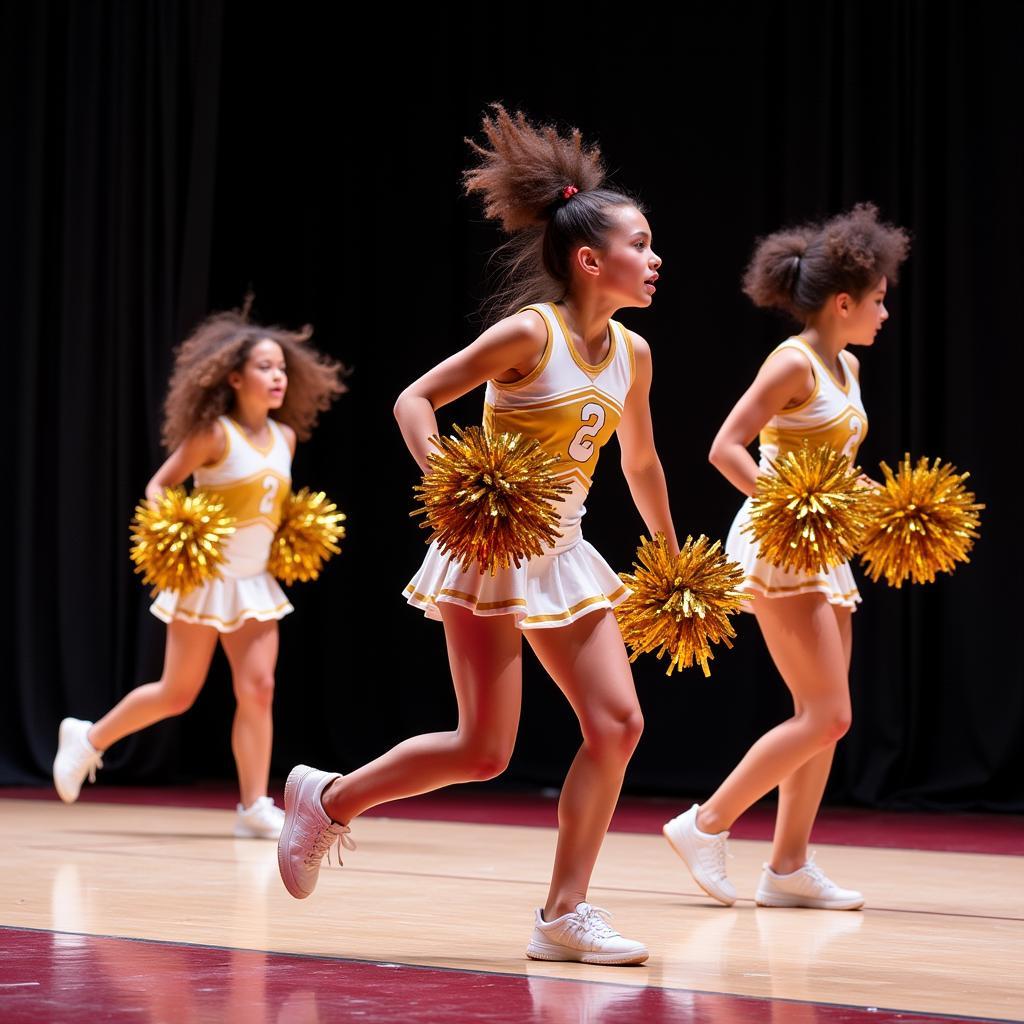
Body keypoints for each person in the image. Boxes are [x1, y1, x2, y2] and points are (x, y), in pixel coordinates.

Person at [277, 106, 676, 965]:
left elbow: (640, 463)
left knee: (617, 725)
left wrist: (671, 553)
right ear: (589, 259)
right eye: (641, 244)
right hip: (493, 552)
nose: (654, 260)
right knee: (485, 750)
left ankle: (563, 914)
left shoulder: (634, 357)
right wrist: (452, 485)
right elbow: (413, 400)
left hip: (565, 553)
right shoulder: (529, 334)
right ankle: (329, 799)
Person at [663, 203, 909, 909]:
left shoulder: (848, 367)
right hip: (781, 542)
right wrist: (791, 500)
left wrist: (863, 499)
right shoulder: (791, 362)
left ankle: (789, 868)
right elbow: (726, 447)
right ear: (842, 302)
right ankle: (704, 822)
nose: (884, 313)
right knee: (828, 716)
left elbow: (830, 459)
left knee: (822, 711)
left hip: (823, 545)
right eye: (878, 300)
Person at [53, 307, 346, 838]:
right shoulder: (214, 434)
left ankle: (253, 806)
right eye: (264, 366)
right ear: (234, 378)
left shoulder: (285, 438)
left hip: (255, 581)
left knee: (258, 688)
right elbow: (160, 486)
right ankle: (88, 738)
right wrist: (180, 535)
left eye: (281, 367)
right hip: (205, 580)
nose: (277, 376)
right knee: (177, 692)